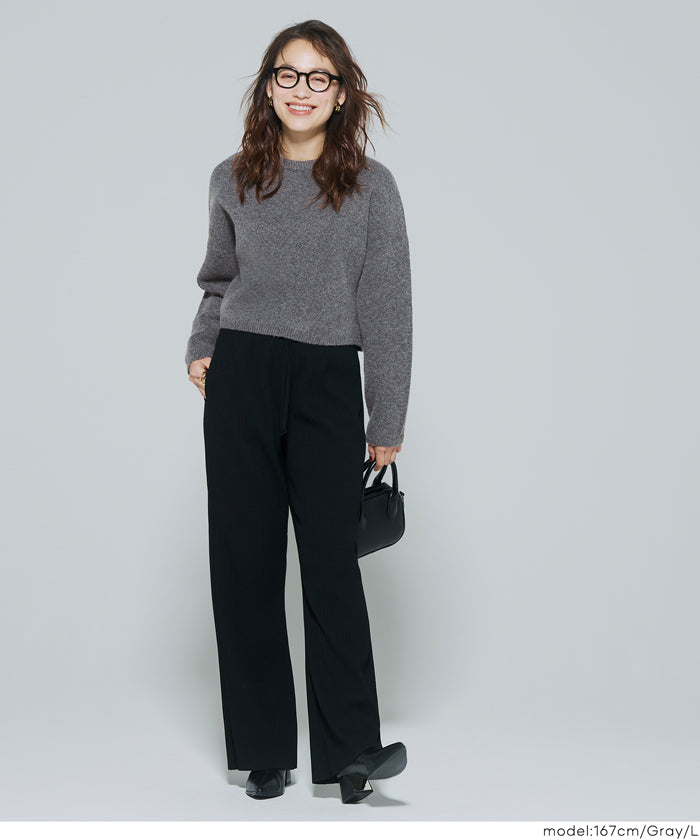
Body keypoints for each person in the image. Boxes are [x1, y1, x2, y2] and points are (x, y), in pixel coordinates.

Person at [184, 19, 412, 804]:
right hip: (242, 373)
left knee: (331, 566)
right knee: (243, 560)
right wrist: (202, 346)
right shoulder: (231, 178)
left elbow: (388, 307)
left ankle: (353, 754)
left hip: (326, 380)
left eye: (319, 77)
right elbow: (217, 281)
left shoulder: (371, 187)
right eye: (288, 74)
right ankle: (262, 754)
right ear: (268, 86)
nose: (302, 89)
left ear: (342, 92)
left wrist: (386, 417)